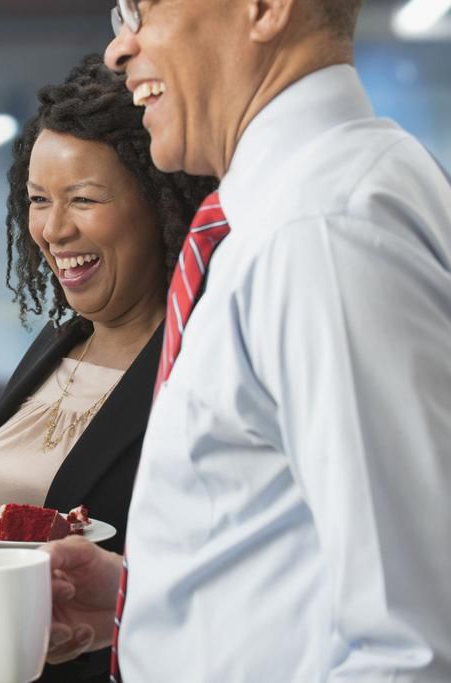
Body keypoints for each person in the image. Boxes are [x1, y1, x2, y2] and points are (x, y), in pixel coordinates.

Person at [44, 0, 451, 680]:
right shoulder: (298, 208)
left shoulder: (318, 233)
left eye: (144, 9)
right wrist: (148, 594)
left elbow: (413, 647)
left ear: (264, 8)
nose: (119, 49)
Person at [0, 56, 215, 683]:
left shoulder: (197, 366)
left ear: (161, 206)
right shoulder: (61, 342)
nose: (52, 229)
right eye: (38, 200)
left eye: (83, 199)